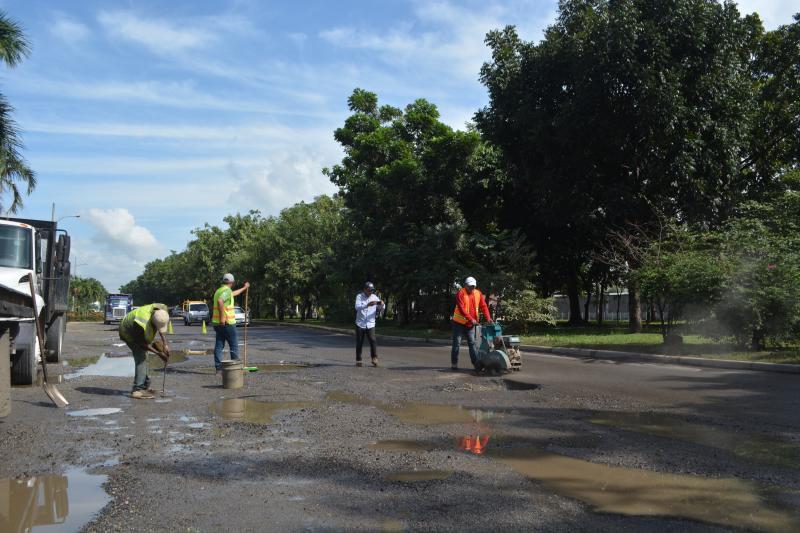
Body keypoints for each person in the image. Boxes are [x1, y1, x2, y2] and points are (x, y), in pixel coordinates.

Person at [118, 303, 171, 399]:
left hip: (140, 331)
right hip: (128, 331)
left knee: (146, 356)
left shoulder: (162, 310)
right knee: (141, 357)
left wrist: (165, 344)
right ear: (152, 322)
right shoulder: (141, 322)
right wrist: (159, 353)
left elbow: (161, 327)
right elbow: (141, 343)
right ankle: (137, 390)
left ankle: (145, 386)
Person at [450, 276, 493, 370]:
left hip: (470, 325)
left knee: (472, 343)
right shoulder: (460, 293)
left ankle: (476, 364)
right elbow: (461, 309)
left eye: (473, 286)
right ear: (465, 285)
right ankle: (454, 363)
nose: (472, 288)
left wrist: (488, 318)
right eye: (470, 286)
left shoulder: (478, 293)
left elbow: (484, 306)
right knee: (457, 343)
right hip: (459, 323)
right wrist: (471, 319)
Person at [212, 273, 250, 372]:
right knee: (233, 345)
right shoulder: (227, 291)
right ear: (232, 282)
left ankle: (218, 368)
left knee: (219, 345)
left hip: (217, 323)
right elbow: (220, 301)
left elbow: (233, 294)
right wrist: (222, 318)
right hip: (227, 323)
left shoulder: (219, 290)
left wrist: (244, 288)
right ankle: (235, 369)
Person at [354, 281, 384, 367]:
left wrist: (381, 304)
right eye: (369, 290)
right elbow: (357, 307)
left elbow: (381, 307)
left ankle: (374, 358)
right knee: (359, 342)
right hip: (360, 323)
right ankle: (359, 359)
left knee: (373, 340)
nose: (371, 292)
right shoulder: (359, 296)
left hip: (370, 324)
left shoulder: (374, 297)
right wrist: (367, 305)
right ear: (364, 290)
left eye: (372, 290)